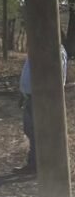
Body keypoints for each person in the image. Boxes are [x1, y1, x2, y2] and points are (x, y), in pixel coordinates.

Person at [16, 42, 68, 175]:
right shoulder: (38, 48)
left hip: (42, 99)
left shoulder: (56, 51)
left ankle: (43, 165)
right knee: (30, 131)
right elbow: (28, 73)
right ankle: (35, 163)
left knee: (40, 133)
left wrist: (46, 99)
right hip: (30, 97)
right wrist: (22, 94)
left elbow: (56, 77)